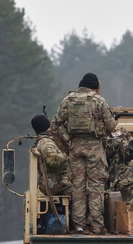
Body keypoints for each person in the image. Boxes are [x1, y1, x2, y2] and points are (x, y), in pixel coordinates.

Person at [51, 72, 115, 234]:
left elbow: (55, 126)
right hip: (95, 148)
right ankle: (96, 225)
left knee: (78, 187)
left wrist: (67, 145)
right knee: (95, 186)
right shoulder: (98, 100)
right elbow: (110, 126)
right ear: (95, 87)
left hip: (75, 149)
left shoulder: (68, 100)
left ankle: (79, 225)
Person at [30, 114, 71, 196]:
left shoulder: (43, 141)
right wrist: (69, 157)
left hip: (54, 181)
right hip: (57, 182)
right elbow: (53, 161)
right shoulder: (46, 143)